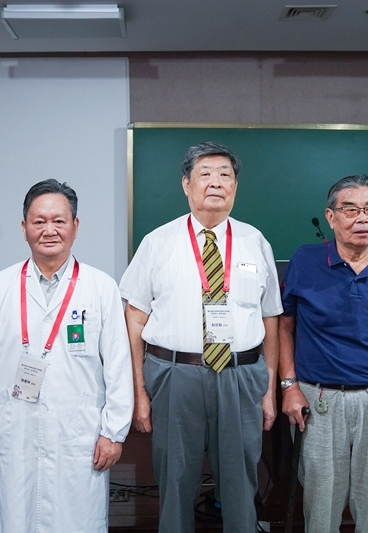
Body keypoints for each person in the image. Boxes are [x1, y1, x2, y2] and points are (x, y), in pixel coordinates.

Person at [119, 141, 282, 533]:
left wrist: (269, 389)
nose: (216, 183)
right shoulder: (157, 242)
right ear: (186, 185)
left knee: (241, 484)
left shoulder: (255, 242)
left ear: (235, 187)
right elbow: (134, 319)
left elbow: (271, 319)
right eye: (205, 174)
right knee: (175, 480)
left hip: (241, 375)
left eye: (225, 175)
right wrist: (139, 392)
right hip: (175, 375)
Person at [0, 179, 133, 532]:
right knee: (17, 519)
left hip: (78, 433)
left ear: (75, 225)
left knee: (78, 521)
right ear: (24, 227)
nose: (49, 230)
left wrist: (114, 433)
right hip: (14, 428)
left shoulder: (101, 287)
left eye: (59, 221)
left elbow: (119, 367)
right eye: (39, 221)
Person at [278, 174, 368, 532]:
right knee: (321, 502)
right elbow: (284, 327)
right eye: (351, 210)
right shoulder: (306, 261)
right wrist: (289, 385)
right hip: (321, 398)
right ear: (331, 216)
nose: (363, 218)